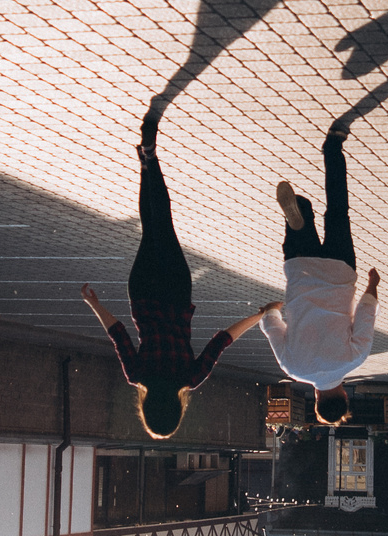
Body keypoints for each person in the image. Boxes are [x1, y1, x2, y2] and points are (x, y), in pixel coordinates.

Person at [81, 118, 263, 438]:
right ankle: (146, 164)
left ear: (178, 409)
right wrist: (94, 304)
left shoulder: (191, 378)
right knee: (152, 228)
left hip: (177, 294)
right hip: (142, 293)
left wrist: (259, 316)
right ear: (147, 408)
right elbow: (118, 332)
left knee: (163, 225)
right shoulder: (136, 375)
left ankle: (150, 158)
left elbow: (222, 339)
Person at [258, 129, 380, 397]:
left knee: (337, 210)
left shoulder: (353, 360)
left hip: (340, 271)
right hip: (301, 271)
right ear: (316, 399)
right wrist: (272, 311)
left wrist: (373, 285)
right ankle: (299, 215)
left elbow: (365, 316)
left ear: (344, 395)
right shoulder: (293, 368)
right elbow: (271, 328)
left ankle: (333, 146)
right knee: (302, 215)